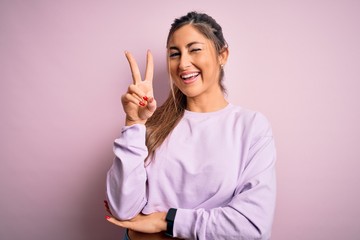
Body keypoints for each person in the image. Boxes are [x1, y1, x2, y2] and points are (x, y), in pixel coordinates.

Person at [104, 11, 276, 240]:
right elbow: (122, 210)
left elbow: (252, 227)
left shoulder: (251, 127)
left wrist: (165, 219)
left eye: (195, 49)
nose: (183, 63)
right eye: (175, 54)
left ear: (222, 54)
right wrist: (134, 123)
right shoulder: (152, 125)